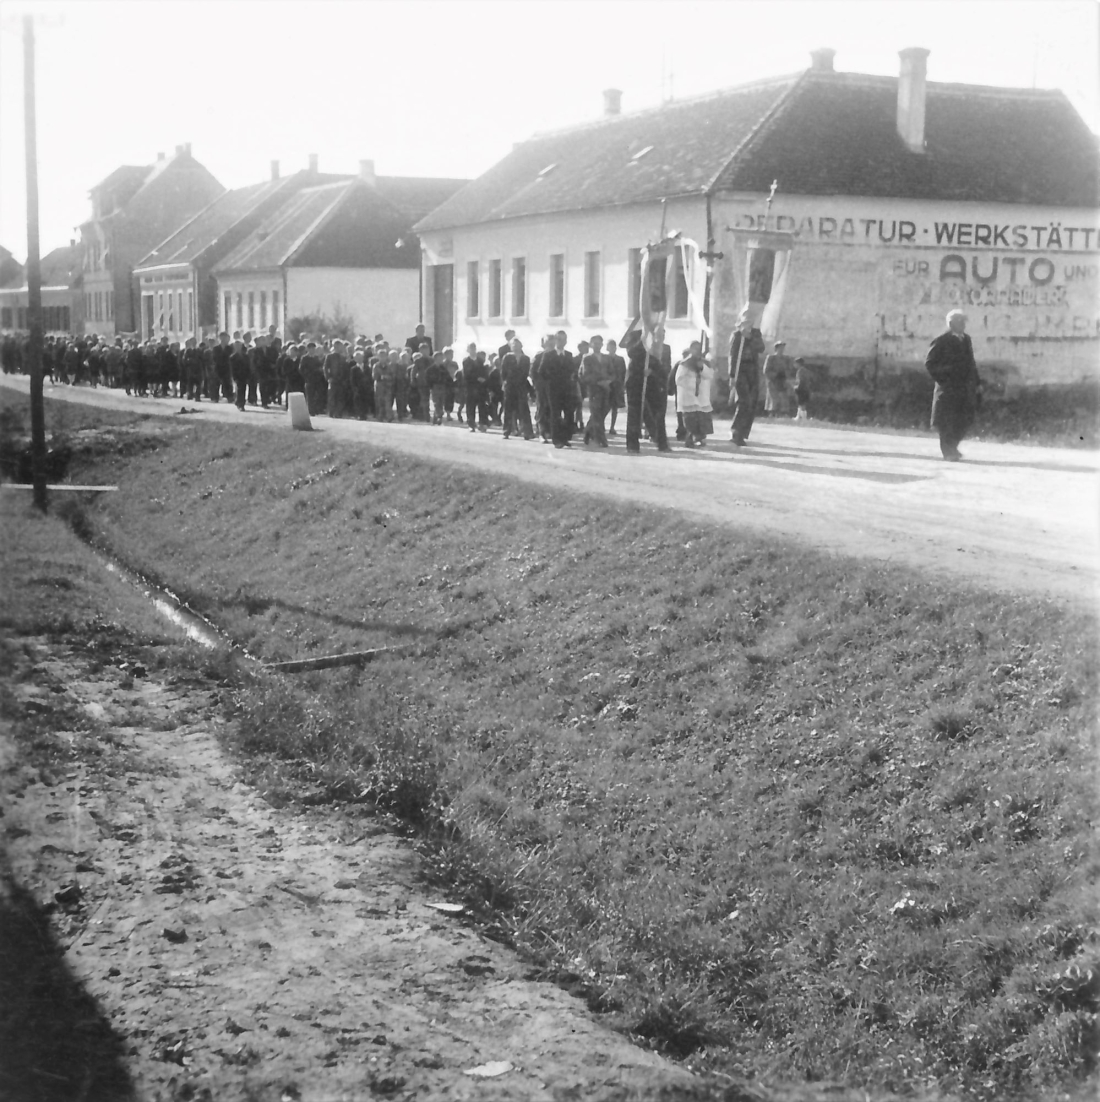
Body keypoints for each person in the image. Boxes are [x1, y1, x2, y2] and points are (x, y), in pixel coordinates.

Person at [925, 309, 981, 461]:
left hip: (964, 387)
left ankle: (953, 446)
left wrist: (977, 382)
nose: (963, 325)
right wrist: (944, 379)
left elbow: (971, 363)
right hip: (947, 389)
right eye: (960, 322)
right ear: (951, 324)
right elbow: (930, 363)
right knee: (946, 421)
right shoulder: (941, 340)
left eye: (964, 322)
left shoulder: (966, 339)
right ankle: (948, 451)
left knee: (964, 419)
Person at [624, 327, 672, 453]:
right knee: (634, 414)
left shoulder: (664, 347)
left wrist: (653, 372)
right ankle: (633, 445)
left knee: (658, 414)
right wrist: (644, 339)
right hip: (636, 380)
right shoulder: (636, 336)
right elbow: (631, 352)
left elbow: (664, 368)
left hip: (653, 382)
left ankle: (662, 443)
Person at [728, 313, 766, 446]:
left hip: (752, 371)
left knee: (752, 403)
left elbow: (761, 348)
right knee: (744, 401)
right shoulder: (737, 335)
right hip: (740, 371)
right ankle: (735, 431)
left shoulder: (755, 334)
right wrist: (732, 375)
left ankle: (743, 432)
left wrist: (751, 337)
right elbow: (732, 356)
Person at [675, 341, 715, 447]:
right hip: (689, 396)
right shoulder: (684, 364)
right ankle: (689, 438)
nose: (697, 351)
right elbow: (679, 379)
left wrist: (701, 367)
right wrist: (692, 383)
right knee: (690, 420)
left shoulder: (705, 362)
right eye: (695, 348)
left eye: (698, 348)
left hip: (701, 396)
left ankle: (700, 438)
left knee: (702, 418)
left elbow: (709, 375)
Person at [542, 332, 576, 448]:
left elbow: (573, 371)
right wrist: (551, 382)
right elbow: (542, 371)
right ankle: (556, 439)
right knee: (555, 414)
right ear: (555, 340)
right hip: (553, 389)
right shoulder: (548, 355)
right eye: (560, 339)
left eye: (564, 340)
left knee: (569, 413)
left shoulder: (569, 355)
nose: (562, 342)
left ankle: (565, 437)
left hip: (567, 389)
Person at [580, 335, 612, 447]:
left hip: (606, 389)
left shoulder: (606, 358)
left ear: (602, 345)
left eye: (599, 343)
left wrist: (608, 381)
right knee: (596, 413)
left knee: (602, 412)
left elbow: (612, 372)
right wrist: (598, 382)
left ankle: (588, 431)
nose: (597, 345)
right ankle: (601, 439)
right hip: (594, 389)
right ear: (591, 344)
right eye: (595, 343)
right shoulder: (587, 358)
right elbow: (584, 374)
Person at [500, 338, 534, 440]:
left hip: (521, 386)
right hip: (510, 386)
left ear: (521, 346)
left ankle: (527, 432)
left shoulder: (526, 359)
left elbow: (526, 372)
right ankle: (506, 431)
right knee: (508, 409)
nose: (515, 346)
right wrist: (504, 383)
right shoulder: (507, 357)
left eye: (517, 344)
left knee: (524, 409)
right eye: (513, 345)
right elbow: (503, 372)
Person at [762, 340, 792, 416]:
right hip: (773, 381)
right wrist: (774, 375)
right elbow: (766, 370)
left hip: (783, 380)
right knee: (774, 398)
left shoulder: (786, 358)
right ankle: (772, 412)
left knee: (784, 397)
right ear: (776, 349)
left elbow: (789, 369)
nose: (782, 349)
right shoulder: (771, 358)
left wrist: (786, 375)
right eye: (780, 348)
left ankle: (783, 412)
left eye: (783, 348)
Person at [606, 338, 626, 436]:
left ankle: (612, 427)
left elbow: (623, 373)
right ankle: (600, 426)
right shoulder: (604, 358)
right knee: (604, 408)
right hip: (606, 386)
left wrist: (622, 385)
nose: (611, 348)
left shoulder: (620, 359)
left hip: (617, 386)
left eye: (613, 346)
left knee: (614, 408)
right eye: (610, 346)